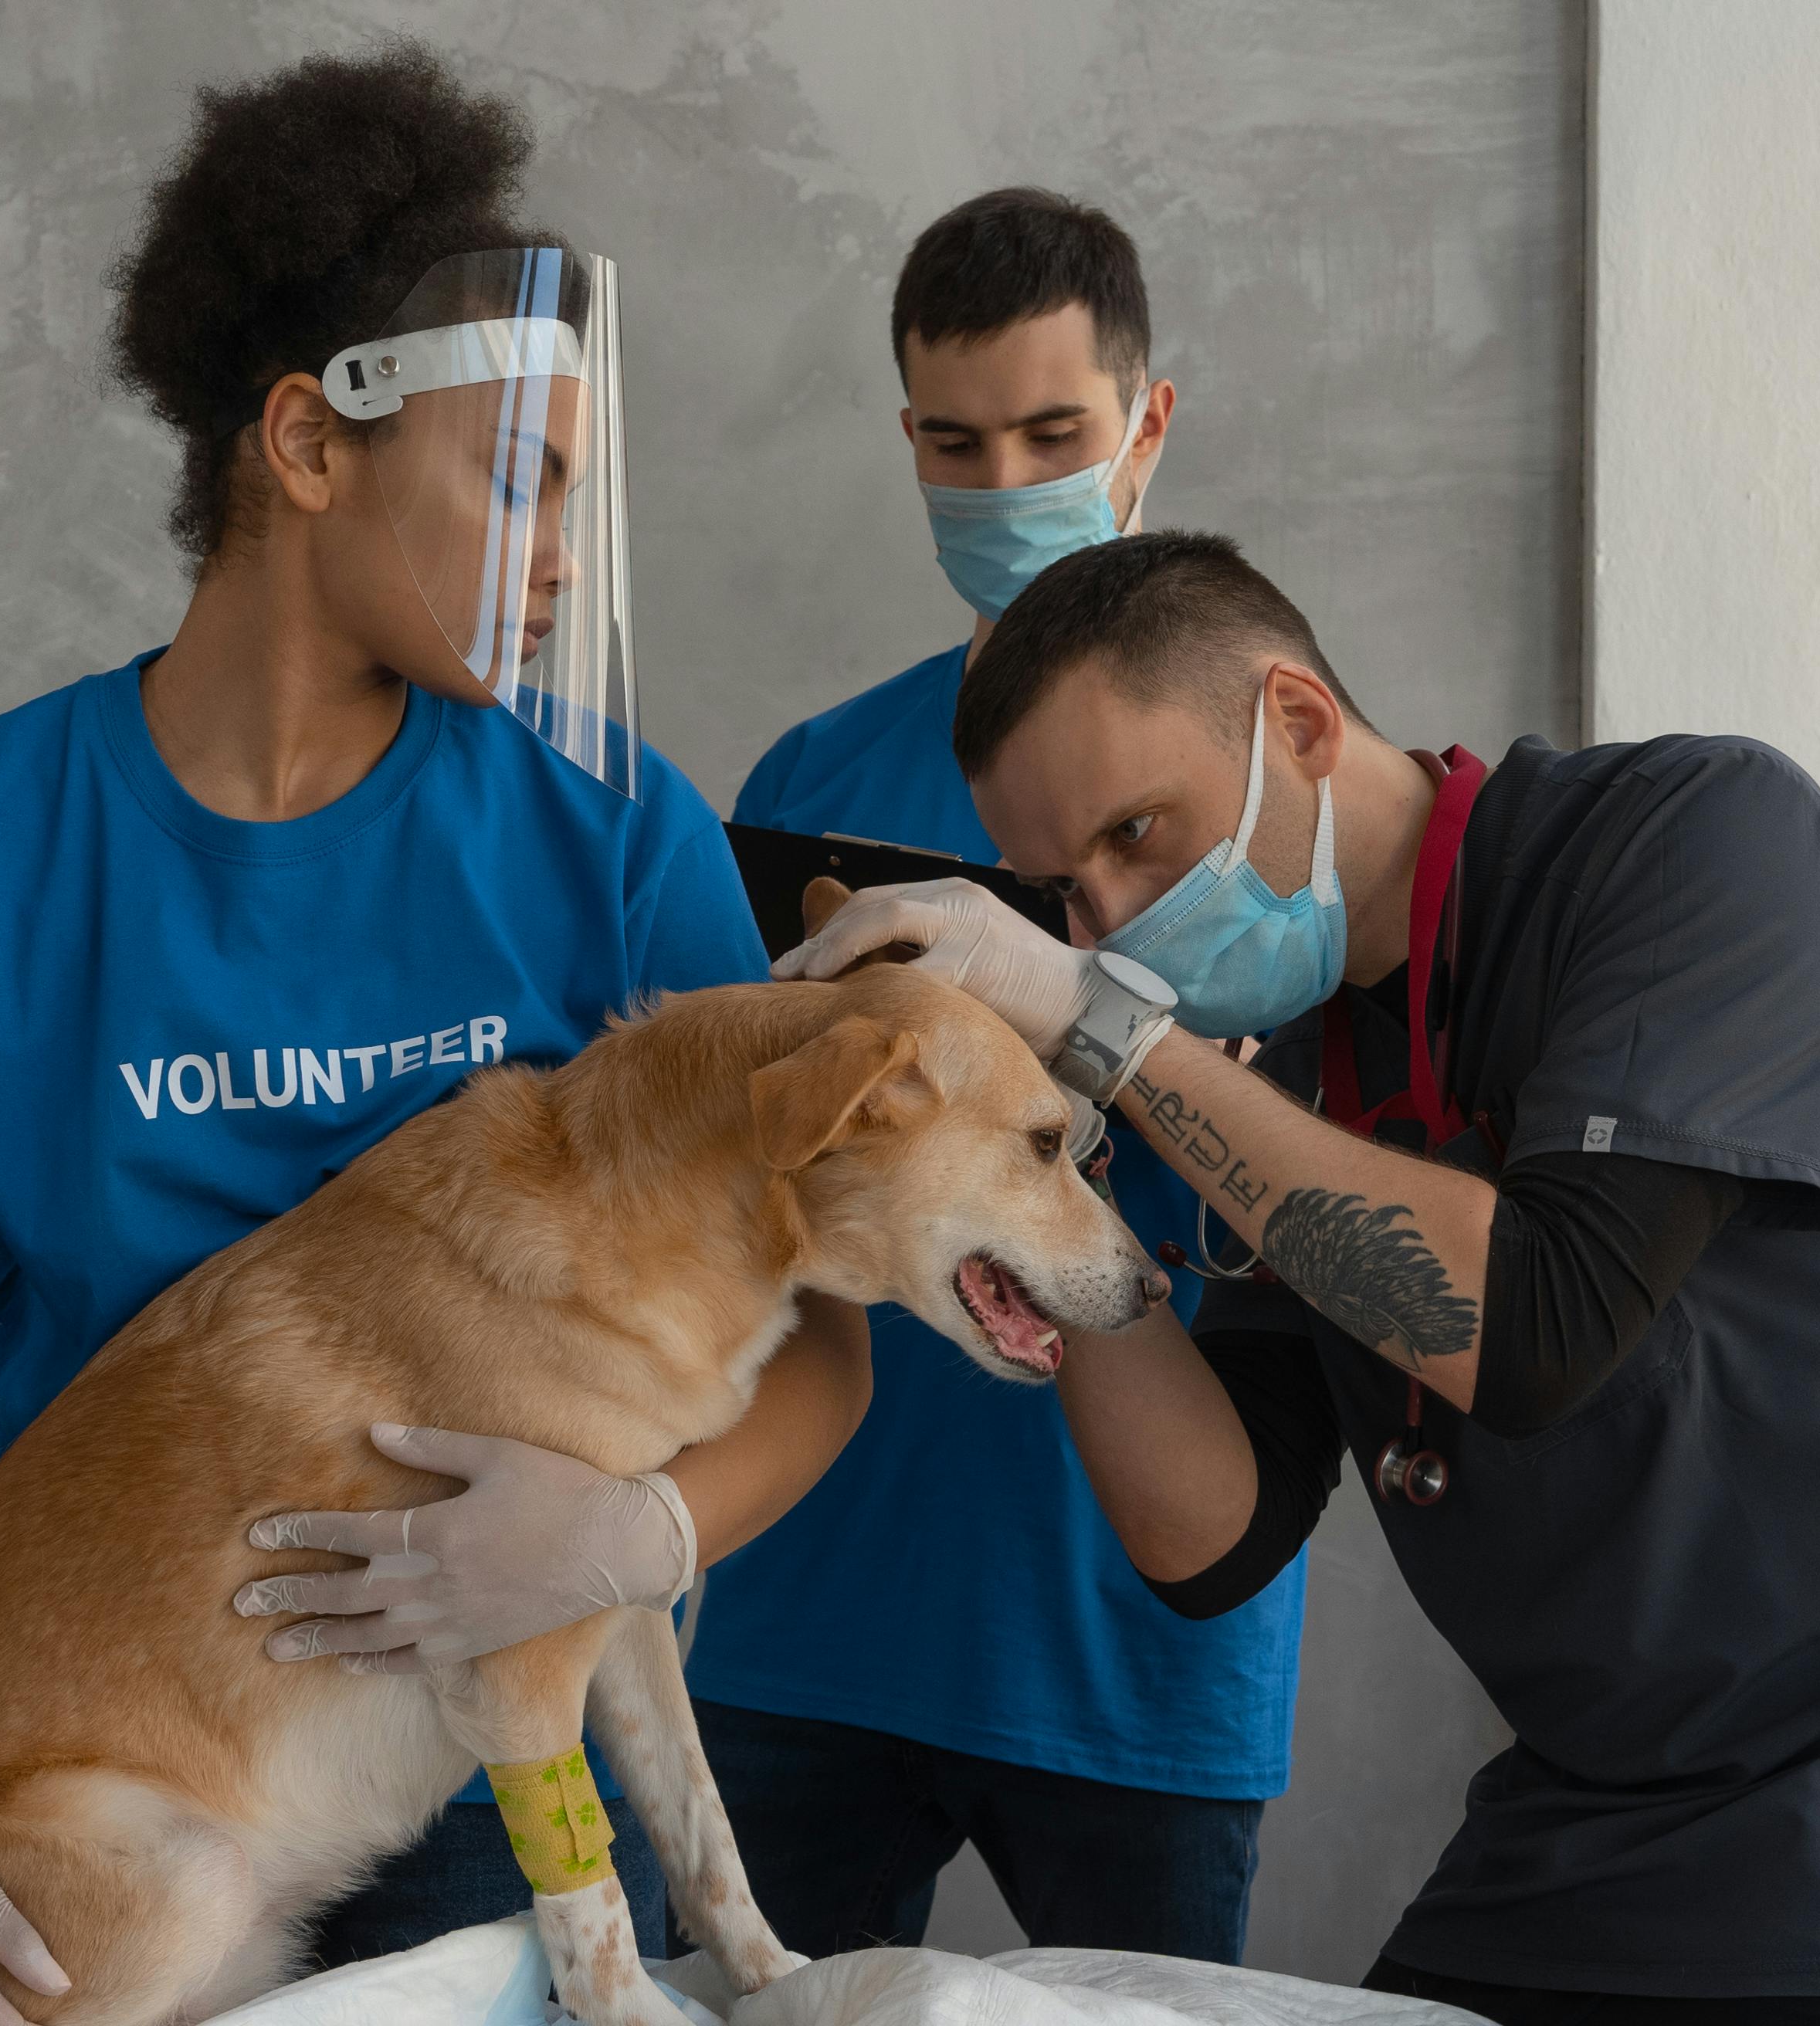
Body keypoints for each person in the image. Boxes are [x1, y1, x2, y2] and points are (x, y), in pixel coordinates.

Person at [0, 49, 869, 2026]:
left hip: (509, 1783)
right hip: (140, 1754)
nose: (563, 553)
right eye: (520, 479)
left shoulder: (615, 837)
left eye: (581, 492)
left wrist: (647, 1526)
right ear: (308, 445)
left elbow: (817, 1336)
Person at [782, 530, 1820, 2023]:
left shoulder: (1699, 839)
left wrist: (1103, 1030)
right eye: (1069, 899)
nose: (1110, 926)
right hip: (1604, 1804)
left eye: (1138, 836)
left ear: (1298, 724)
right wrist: (1036, 1160)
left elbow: (1534, 1325)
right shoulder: (1299, 1075)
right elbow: (1210, 1534)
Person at [689, 190, 1300, 1964]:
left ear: (1149, 428)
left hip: (1129, 1635)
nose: (1004, 478)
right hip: (815, 1605)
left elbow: (1331, 1191)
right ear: (906, 444)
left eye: (1054, 433)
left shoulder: (1275, 799)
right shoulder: (817, 769)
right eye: (957, 444)